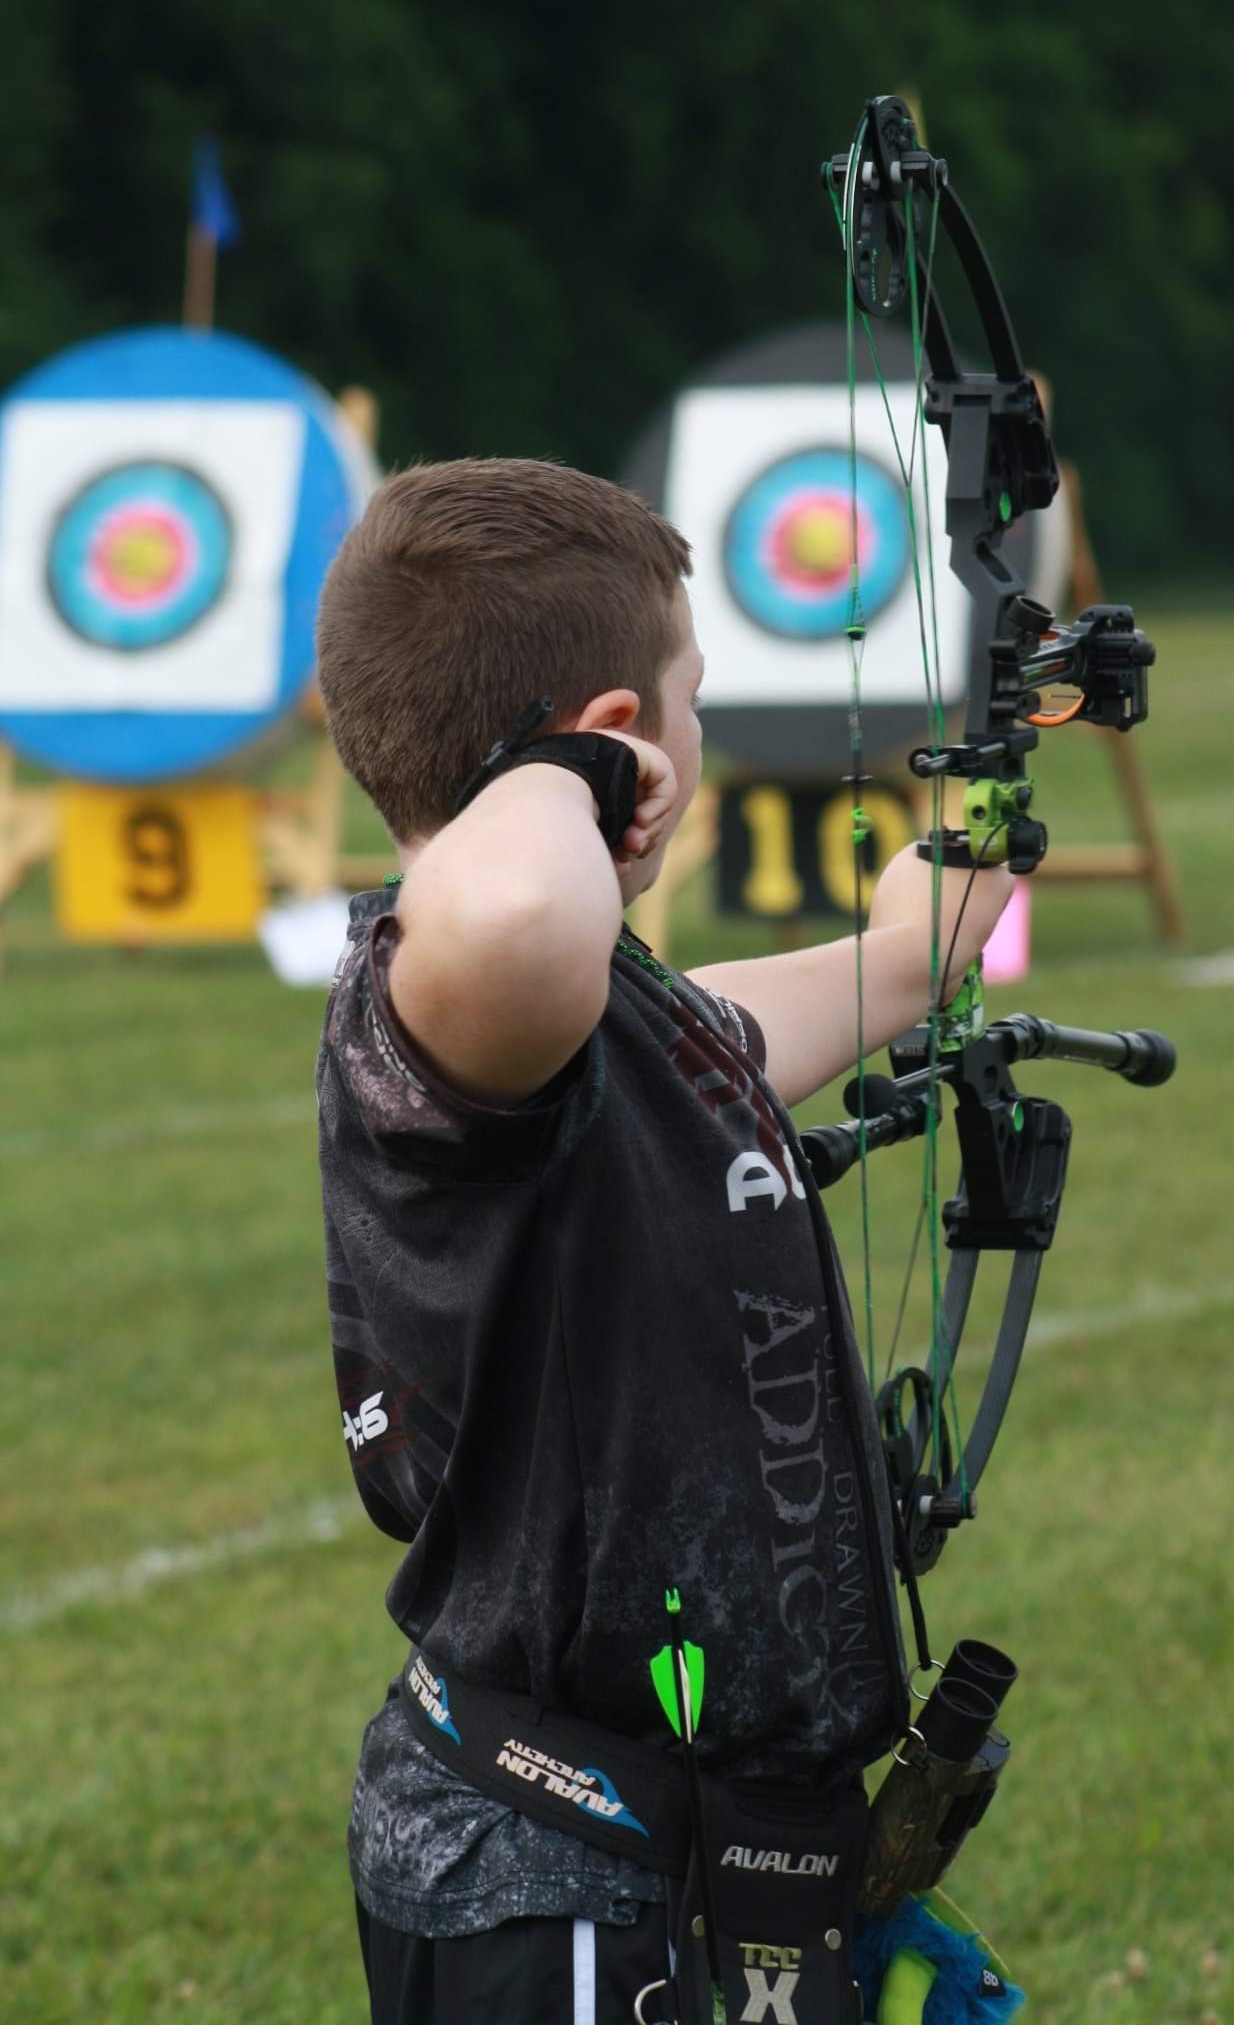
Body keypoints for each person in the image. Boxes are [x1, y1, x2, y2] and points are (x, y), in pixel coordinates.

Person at [314, 457, 1013, 2025]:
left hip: (696, 1863)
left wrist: (933, 923)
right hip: (550, 1874)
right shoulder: (448, 1000)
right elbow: (508, 916)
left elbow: (786, 1010)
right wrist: (571, 770)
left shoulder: (607, 1022)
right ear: (621, 740)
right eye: (684, 699)